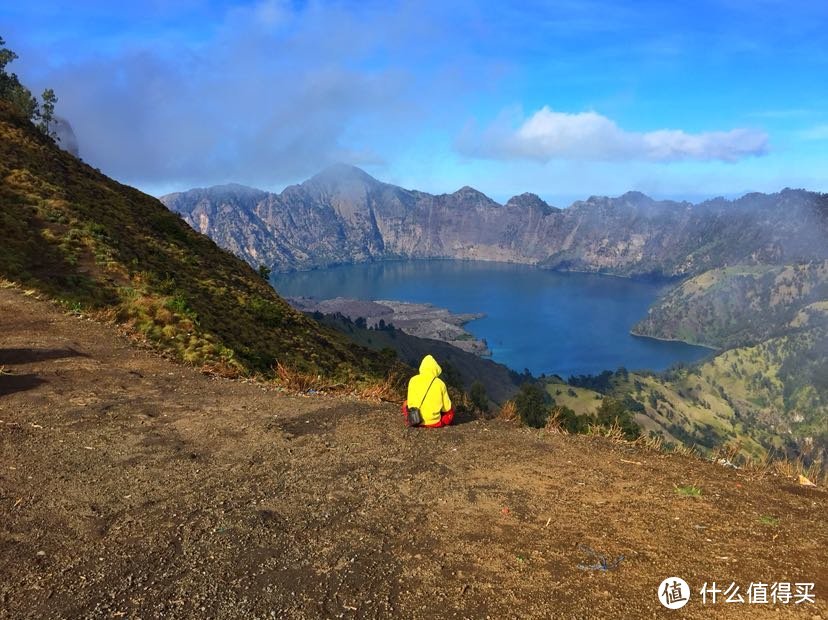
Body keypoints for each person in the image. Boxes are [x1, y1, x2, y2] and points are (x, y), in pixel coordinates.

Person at [402, 354, 454, 428]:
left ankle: (410, 418)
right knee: (450, 411)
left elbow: (410, 403)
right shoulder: (440, 383)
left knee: (405, 403)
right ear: (436, 369)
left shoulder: (413, 380)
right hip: (434, 423)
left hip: (415, 419)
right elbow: (446, 408)